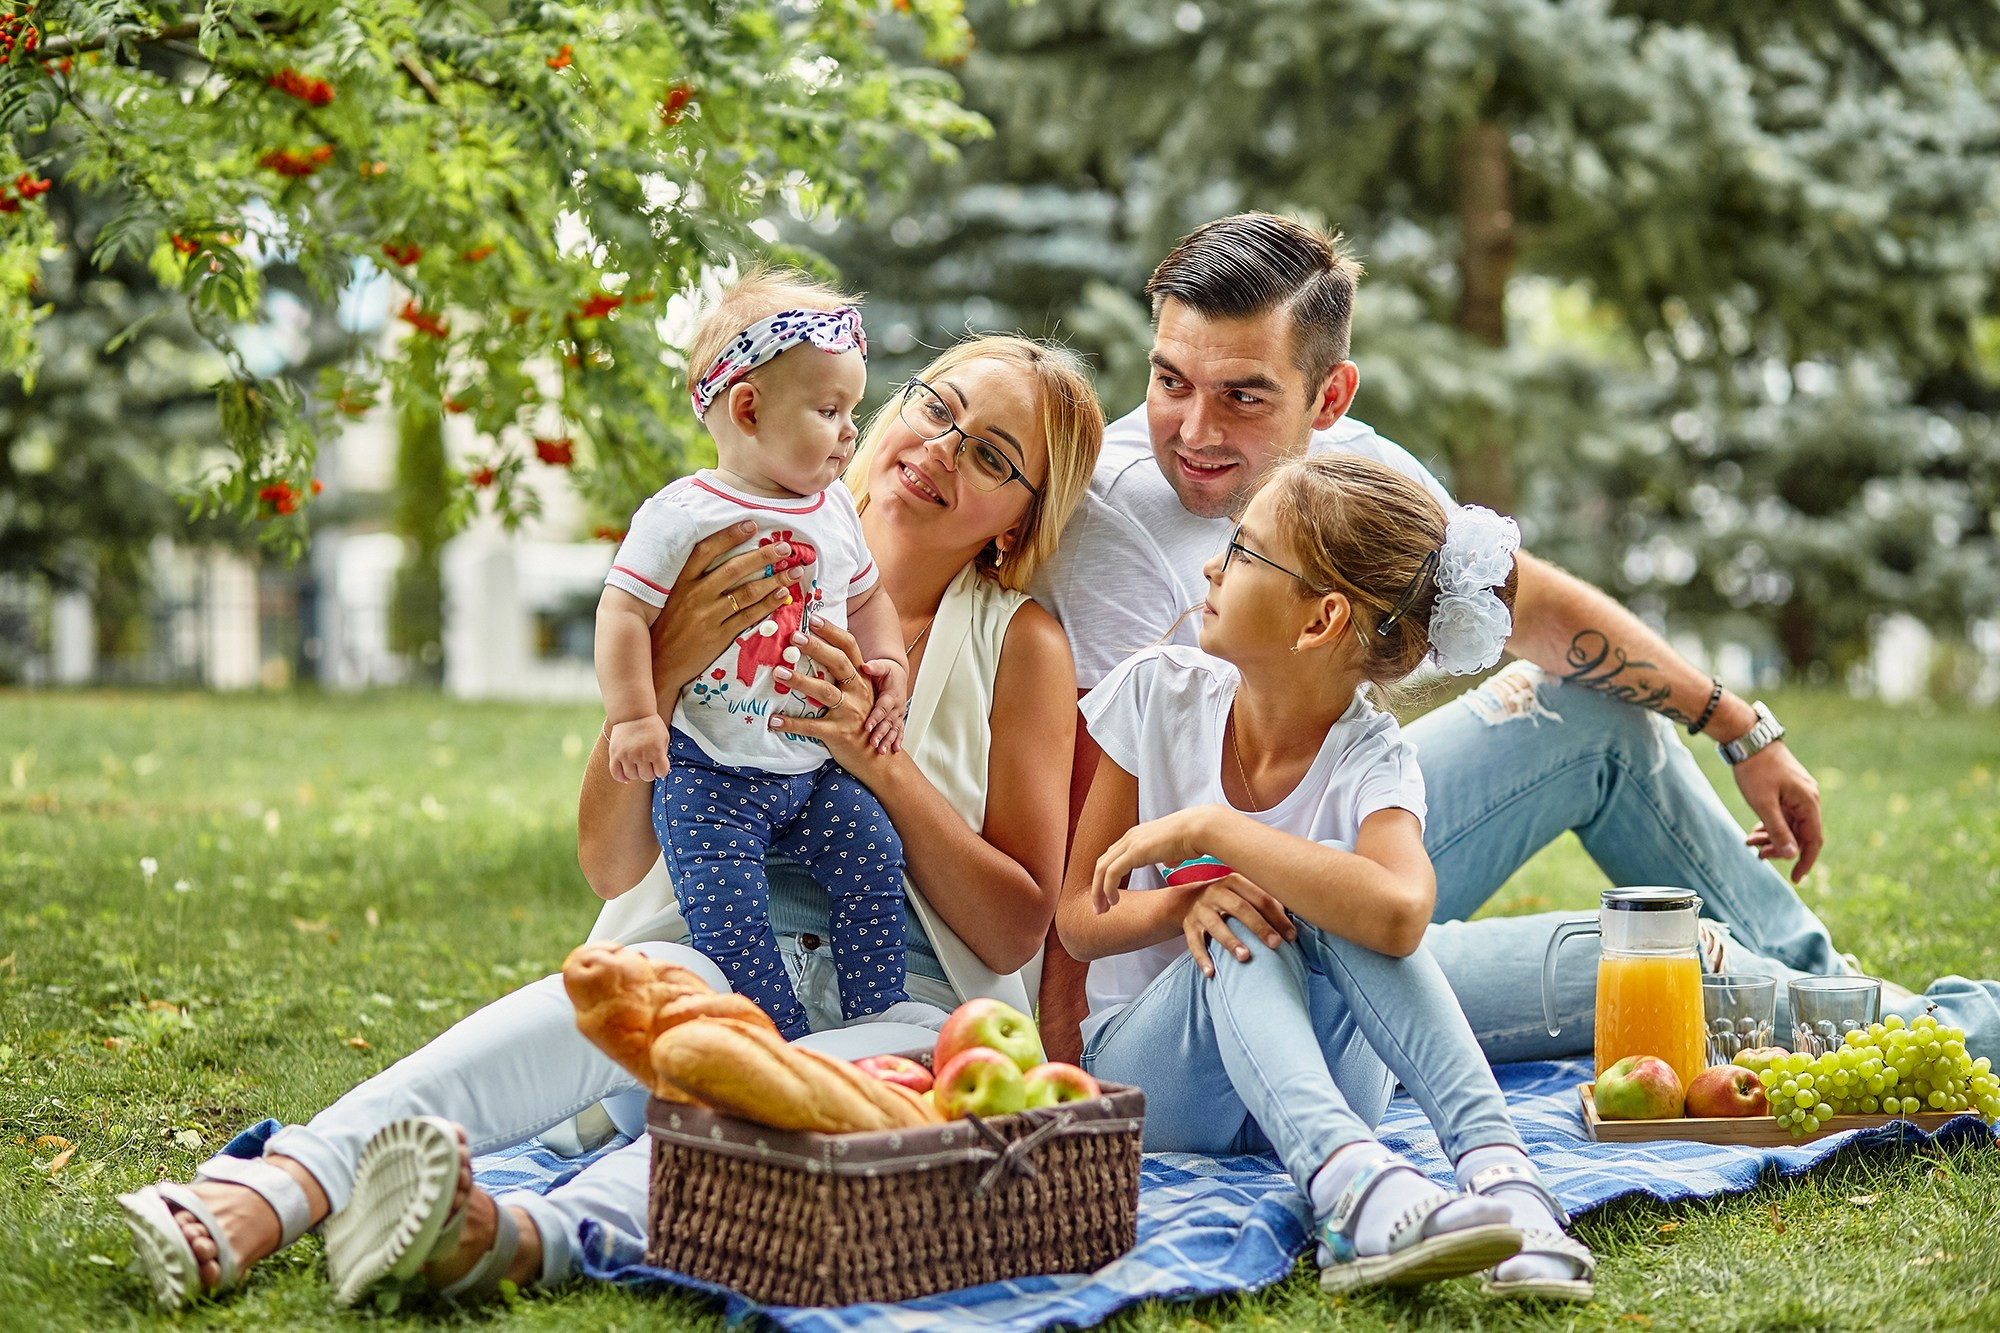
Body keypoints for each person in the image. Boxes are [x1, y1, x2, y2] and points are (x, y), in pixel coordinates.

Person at [115, 334, 1103, 1312]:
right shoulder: (728, 546)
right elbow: (609, 859)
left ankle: (518, 1236)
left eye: (990, 455)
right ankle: (274, 1185)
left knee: (794, 1101)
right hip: (711, 954)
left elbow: (1016, 926)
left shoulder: (1020, 647)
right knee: (599, 1000)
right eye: (937, 407)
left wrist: (877, 761)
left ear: (1016, 521)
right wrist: (663, 670)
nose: (940, 447)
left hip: (904, 1011)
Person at [1030, 210, 2000, 1063]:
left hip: (1355, 842)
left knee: (1594, 714)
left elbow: (1526, 607)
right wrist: (1069, 1063)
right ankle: (1922, 1027)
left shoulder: (1355, 473)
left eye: (1241, 394)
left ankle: (1848, 1000)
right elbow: (1084, 811)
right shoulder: (1108, 520)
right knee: (1646, 965)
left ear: (1327, 400)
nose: (1190, 428)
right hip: (1238, 941)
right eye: (1168, 381)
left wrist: (1738, 724)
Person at [1059, 455, 1593, 1300]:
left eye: (1240, 550)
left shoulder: (1372, 758)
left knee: (1332, 898)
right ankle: (1351, 1189)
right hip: (1160, 1080)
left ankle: (1504, 1178)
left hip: (1325, 1076)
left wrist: (1215, 831)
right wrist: (1191, 896)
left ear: (1321, 620)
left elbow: (1402, 914)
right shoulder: (1157, 693)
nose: (1211, 566)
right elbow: (1079, 921)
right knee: (1252, 912)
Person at [596, 272, 913, 1038]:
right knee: (725, 911)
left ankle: (877, 1021)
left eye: (853, 412)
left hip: (812, 769)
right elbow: (622, 612)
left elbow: (868, 599)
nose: (850, 433)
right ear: (747, 408)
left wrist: (891, 668)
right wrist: (636, 715)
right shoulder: (684, 514)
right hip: (709, 773)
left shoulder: (834, 507)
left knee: (874, 858)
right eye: (831, 410)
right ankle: (774, 1037)